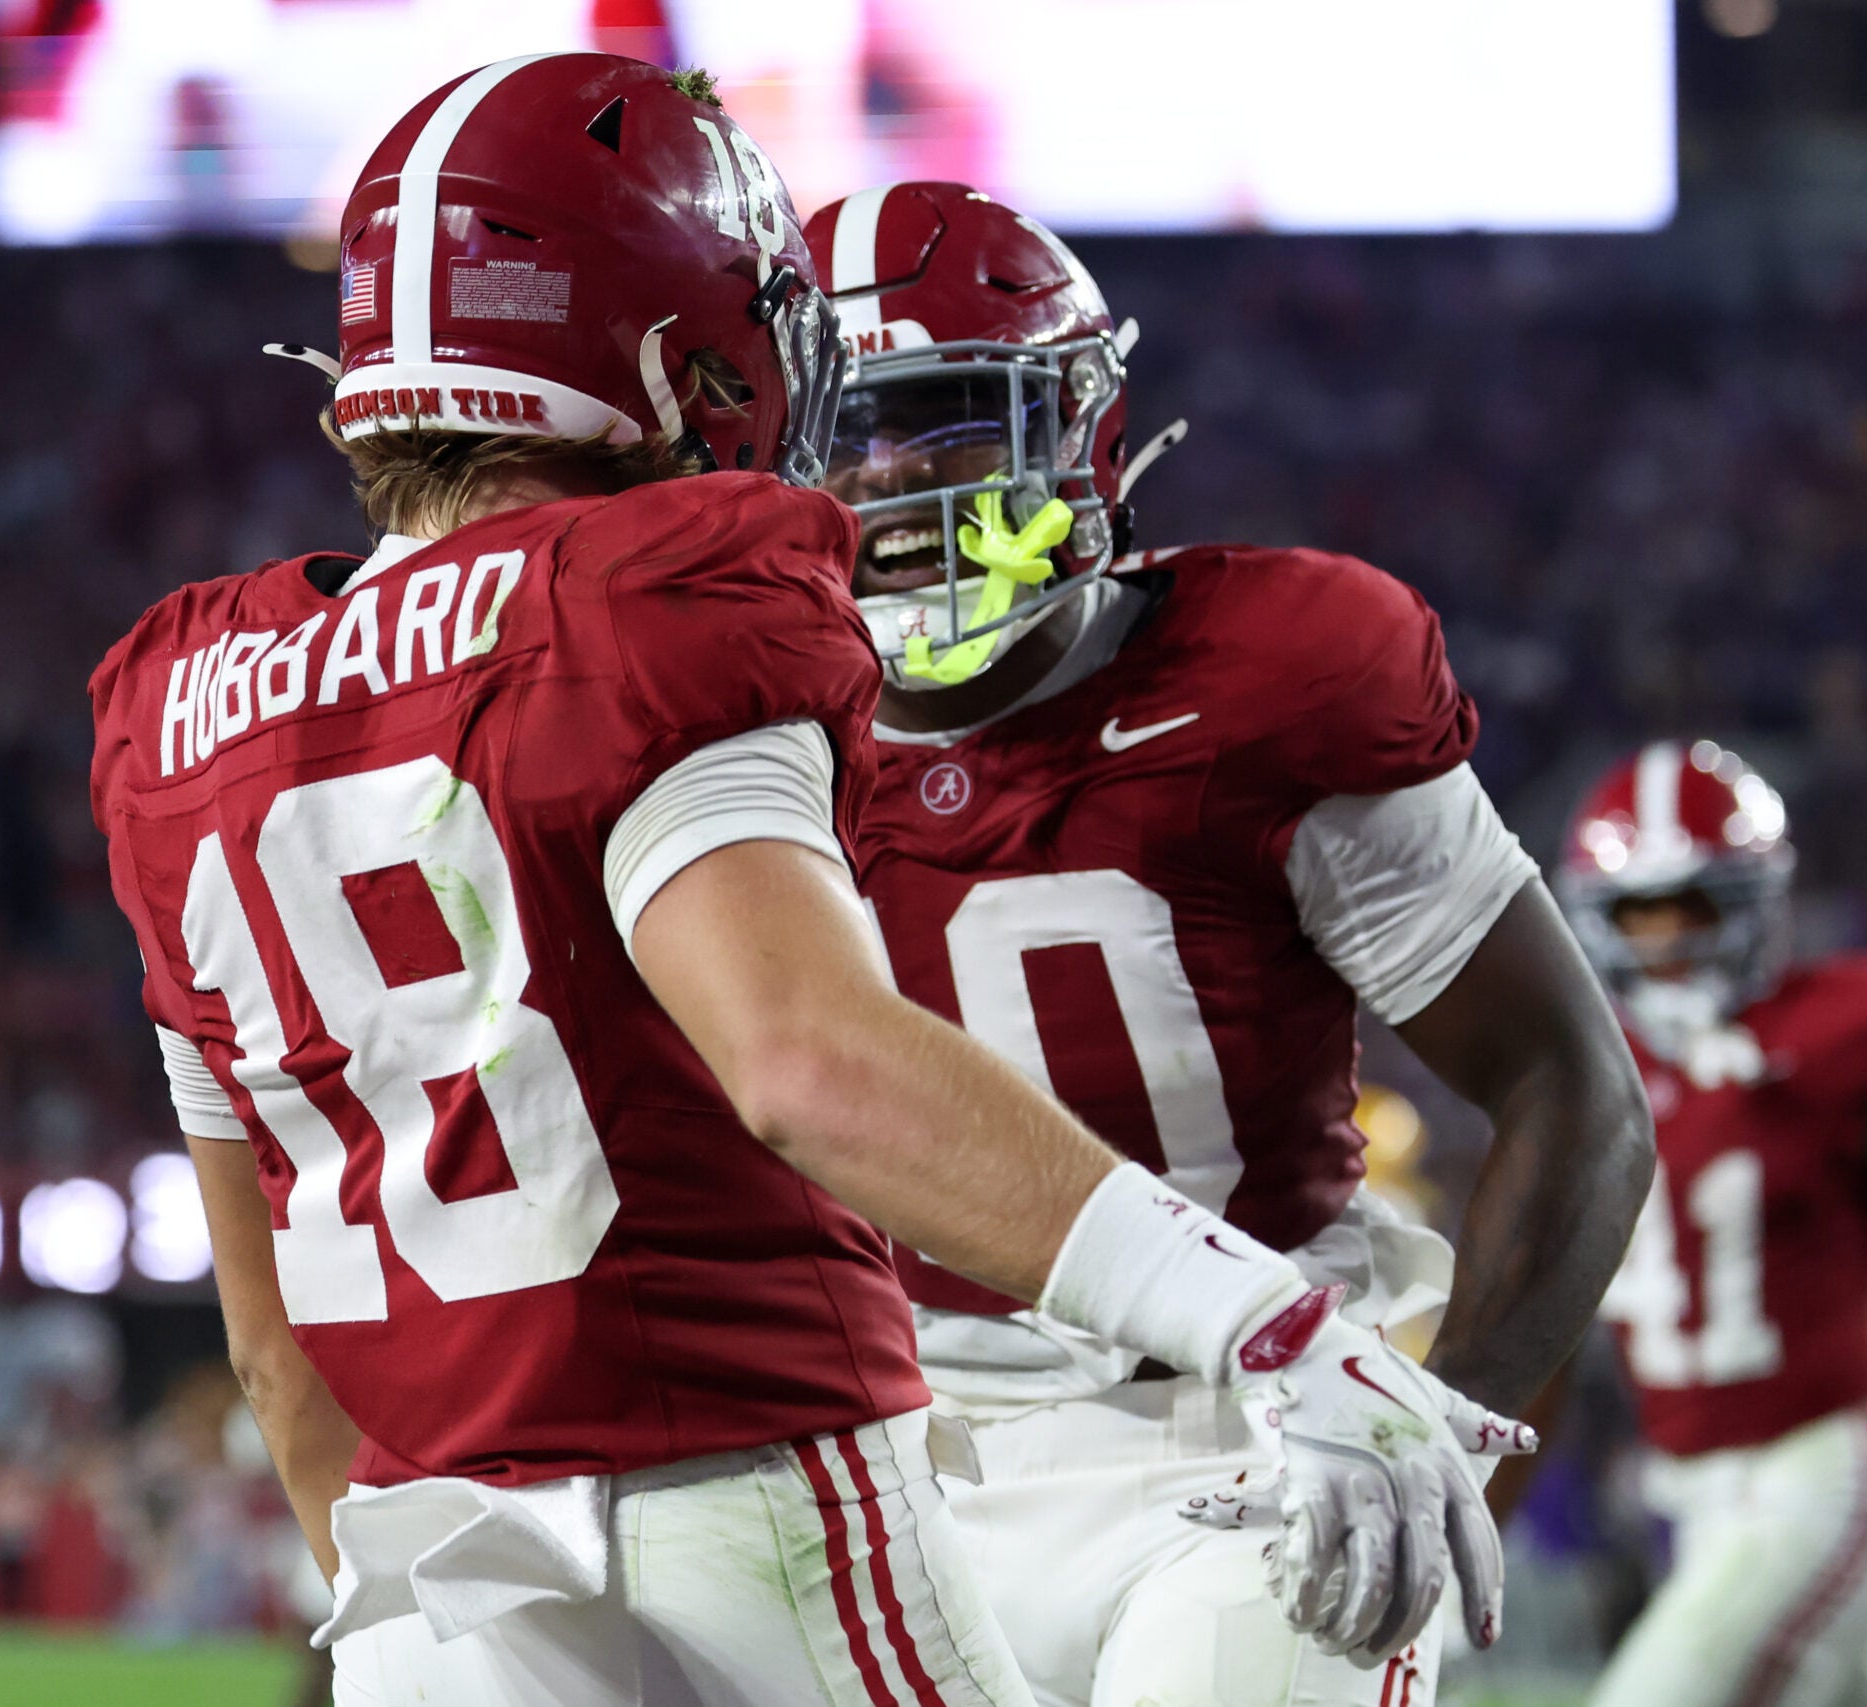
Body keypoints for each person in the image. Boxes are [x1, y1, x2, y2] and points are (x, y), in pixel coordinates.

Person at [90, 59, 1534, 1707]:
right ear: (665, 350)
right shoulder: (665, 587)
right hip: (754, 1480)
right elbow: (808, 1062)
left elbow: (276, 1362)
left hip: (435, 1565)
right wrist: (1264, 1323)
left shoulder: (172, 703)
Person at [803, 180, 1655, 1707]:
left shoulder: (1272, 675)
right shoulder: (737, 735)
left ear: (1077, 428)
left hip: (1252, 1439)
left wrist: (1428, 1415)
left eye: (939, 423)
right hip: (886, 1467)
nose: (883, 488)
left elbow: (1568, 1080)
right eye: (834, 438)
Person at [1557, 740, 1867, 1707]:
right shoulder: (1584, 1068)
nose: (1668, 941)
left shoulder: (1853, 1031)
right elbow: (1543, 1322)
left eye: (1696, 907)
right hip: (1697, 1499)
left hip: (1830, 1472)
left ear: (1756, 901)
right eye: (1640, 913)